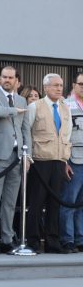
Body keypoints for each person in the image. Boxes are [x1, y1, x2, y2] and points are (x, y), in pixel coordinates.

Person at [0, 66, 31, 254]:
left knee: (10, 201)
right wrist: (14, 110)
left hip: (17, 156)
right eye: (4, 77)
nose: (7, 80)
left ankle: (7, 238)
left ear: (16, 80)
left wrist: (28, 155)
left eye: (10, 77)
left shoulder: (21, 99)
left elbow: (25, 129)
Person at [26, 74, 72, 253]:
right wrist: (28, 157)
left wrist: (65, 160)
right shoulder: (35, 106)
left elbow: (66, 135)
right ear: (45, 88)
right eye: (55, 85)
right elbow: (27, 131)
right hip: (40, 160)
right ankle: (33, 241)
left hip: (59, 161)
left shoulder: (65, 108)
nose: (59, 88)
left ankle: (52, 241)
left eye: (60, 85)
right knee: (36, 202)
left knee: (55, 203)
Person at [61, 72, 83, 252]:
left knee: (81, 204)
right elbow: (61, 135)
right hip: (73, 159)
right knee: (69, 202)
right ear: (74, 85)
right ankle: (67, 239)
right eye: (81, 84)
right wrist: (64, 161)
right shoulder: (66, 105)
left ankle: (80, 238)